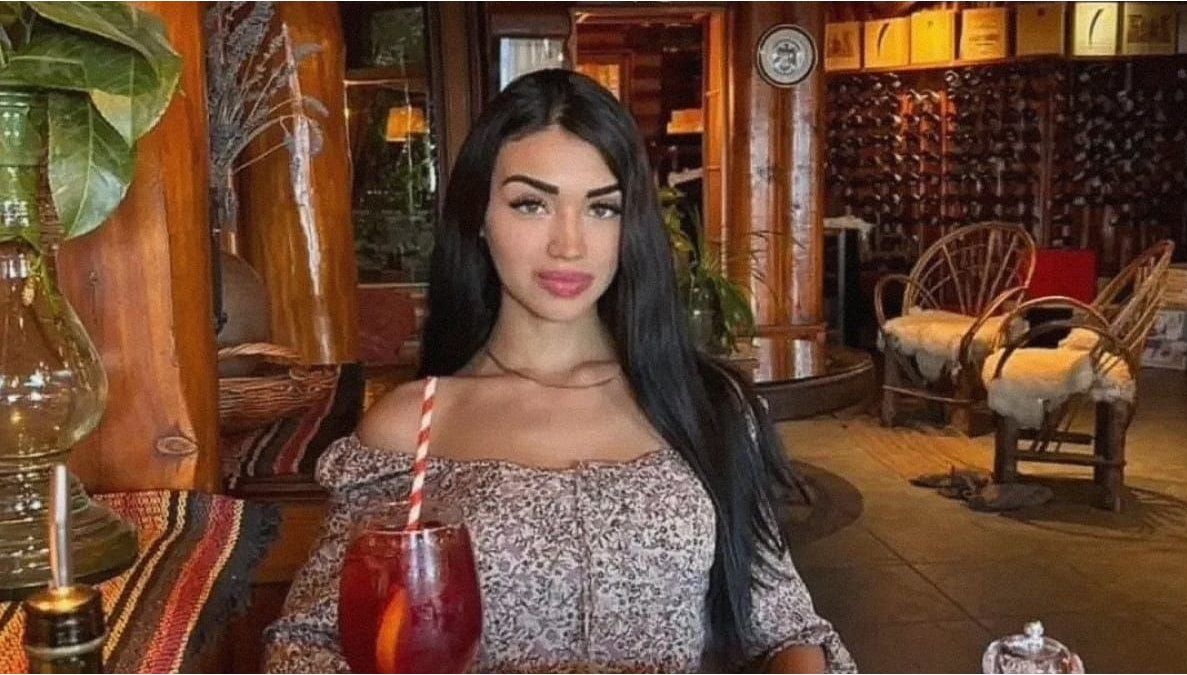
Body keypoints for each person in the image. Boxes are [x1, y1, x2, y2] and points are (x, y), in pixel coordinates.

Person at [264, 69, 855, 674]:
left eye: (601, 208)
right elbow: (307, 646)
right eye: (531, 204)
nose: (569, 245)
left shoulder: (703, 404)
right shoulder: (412, 426)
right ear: (479, 215)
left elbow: (790, 631)